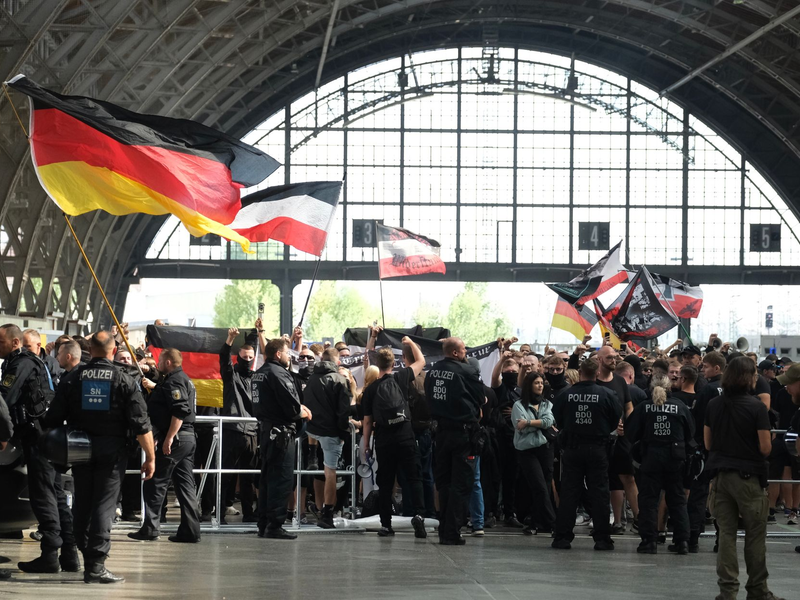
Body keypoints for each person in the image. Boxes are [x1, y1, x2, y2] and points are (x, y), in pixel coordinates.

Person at [43, 330, 155, 584]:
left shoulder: (73, 378)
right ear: (113, 350)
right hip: (112, 451)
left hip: (79, 448)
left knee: (82, 501)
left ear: (89, 350)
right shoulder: (124, 380)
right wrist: (150, 457)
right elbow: (141, 423)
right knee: (105, 505)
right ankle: (95, 565)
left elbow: (52, 419)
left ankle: (86, 551)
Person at [0, 324, 78, 573]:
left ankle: (49, 555)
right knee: (55, 496)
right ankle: (69, 555)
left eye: (0, 342)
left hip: (37, 440)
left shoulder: (20, 363)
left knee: (43, 496)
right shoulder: (32, 362)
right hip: (47, 438)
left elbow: (5, 397)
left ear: (14, 343)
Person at [705, 356, 783, 600]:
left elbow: (708, 443)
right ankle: (758, 590)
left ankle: (727, 591)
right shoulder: (756, 407)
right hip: (748, 478)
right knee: (755, 535)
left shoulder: (714, 405)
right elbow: (765, 447)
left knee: (726, 534)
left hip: (720, 476)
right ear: (749, 377)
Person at [129, 348, 200, 543]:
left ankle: (150, 528)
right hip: (187, 439)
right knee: (185, 485)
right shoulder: (181, 379)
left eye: (160, 361)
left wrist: (169, 438)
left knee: (155, 481)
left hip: (176, 439)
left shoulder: (175, 381)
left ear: (168, 362)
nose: (157, 364)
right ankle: (190, 531)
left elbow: (180, 411)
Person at [552, 359, 622, 551]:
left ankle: (562, 537)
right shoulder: (607, 394)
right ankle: (602, 539)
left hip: (573, 448)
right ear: (597, 373)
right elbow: (615, 419)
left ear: (580, 372)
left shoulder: (565, 394)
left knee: (569, 493)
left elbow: (557, 417)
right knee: (599, 493)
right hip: (598, 448)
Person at [362, 340, 427, 538]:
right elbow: (421, 361)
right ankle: (419, 516)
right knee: (414, 478)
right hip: (405, 436)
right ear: (394, 363)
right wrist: (411, 342)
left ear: (377, 364)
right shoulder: (401, 377)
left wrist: (367, 445)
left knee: (385, 483)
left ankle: (386, 525)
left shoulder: (370, 390)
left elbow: (367, 422)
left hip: (384, 440)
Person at [425, 337, 484, 545]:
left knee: (444, 483)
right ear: (456, 353)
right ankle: (452, 532)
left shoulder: (432, 372)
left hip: (440, 434)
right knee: (462, 484)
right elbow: (481, 399)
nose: (466, 353)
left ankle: (444, 529)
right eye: (464, 350)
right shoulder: (465, 372)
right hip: (462, 434)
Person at [627, 374, 694, 555]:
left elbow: (631, 433)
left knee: (649, 501)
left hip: (650, 459)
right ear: (669, 387)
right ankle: (682, 542)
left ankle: (649, 541)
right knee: (678, 500)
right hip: (676, 459)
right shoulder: (680, 407)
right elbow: (690, 434)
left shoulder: (643, 408)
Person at [252, 337, 312, 540]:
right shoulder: (279, 374)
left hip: (266, 430)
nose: (289, 356)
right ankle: (275, 525)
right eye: (287, 352)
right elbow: (291, 404)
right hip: (281, 433)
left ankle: (264, 524)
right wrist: (301, 411)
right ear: (278, 354)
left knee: (267, 479)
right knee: (282, 480)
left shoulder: (259, 373)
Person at [305, 347, 354, 529]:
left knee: (322, 472)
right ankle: (327, 514)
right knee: (330, 473)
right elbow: (343, 411)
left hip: (312, 429)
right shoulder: (339, 380)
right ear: (337, 361)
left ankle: (311, 453)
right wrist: (343, 433)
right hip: (331, 432)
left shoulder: (312, 378)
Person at [218, 326, 259, 523]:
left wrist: (259, 333)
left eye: (251, 357)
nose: (248, 360)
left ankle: (249, 514)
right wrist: (229, 340)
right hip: (232, 429)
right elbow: (224, 360)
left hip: (251, 431)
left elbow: (261, 353)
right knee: (226, 474)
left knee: (248, 477)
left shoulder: (257, 378)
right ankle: (220, 512)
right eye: (245, 357)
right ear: (238, 357)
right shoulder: (231, 375)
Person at [595, 345, 637, 534]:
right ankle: (616, 522)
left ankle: (639, 519)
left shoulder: (620, 382)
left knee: (627, 477)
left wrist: (626, 425)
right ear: (599, 360)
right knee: (607, 480)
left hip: (621, 439)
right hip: (600, 439)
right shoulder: (593, 383)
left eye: (615, 357)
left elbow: (628, 407)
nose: (614, 360)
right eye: (610, 357)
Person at [512, 372, 556, 535]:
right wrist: (539, 424)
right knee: (539, 486)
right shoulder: (518, 405)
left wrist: (529, 422)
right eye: (536, 383)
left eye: (541, 383)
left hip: (545, 449)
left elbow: (549, 422)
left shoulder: (546, 404)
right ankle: (552, 523)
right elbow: (520, 428)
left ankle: (537, 522)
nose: (540, 386)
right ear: (529, 385)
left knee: (544, 487)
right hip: (526, 451)